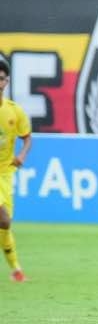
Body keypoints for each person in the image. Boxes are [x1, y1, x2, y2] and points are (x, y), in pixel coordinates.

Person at [0, 60, 32, 282]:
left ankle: (15, 269)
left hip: (5, 173)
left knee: (5, 223)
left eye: (1, 78)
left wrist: (21, 155)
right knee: (3, 219)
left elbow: (27, 138)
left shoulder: (14, 111)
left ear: (6, 81)